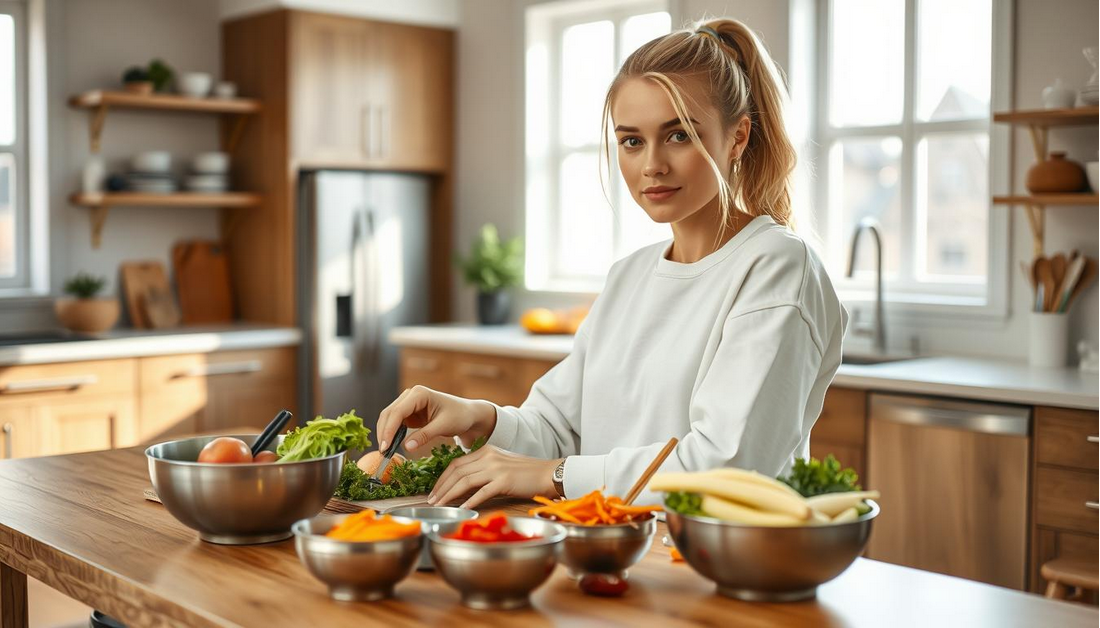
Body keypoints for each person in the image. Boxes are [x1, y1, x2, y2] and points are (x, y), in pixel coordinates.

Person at [376, 18, 847, 509]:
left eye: (679, 135)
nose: (652, 165)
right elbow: (559, 428)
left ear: (738, 138)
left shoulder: (777, 266)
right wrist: (479, 417)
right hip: (611, 559)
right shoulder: (630, 275)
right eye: (631, 141)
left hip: (718, 572)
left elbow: (725, 465)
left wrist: (554, 476)